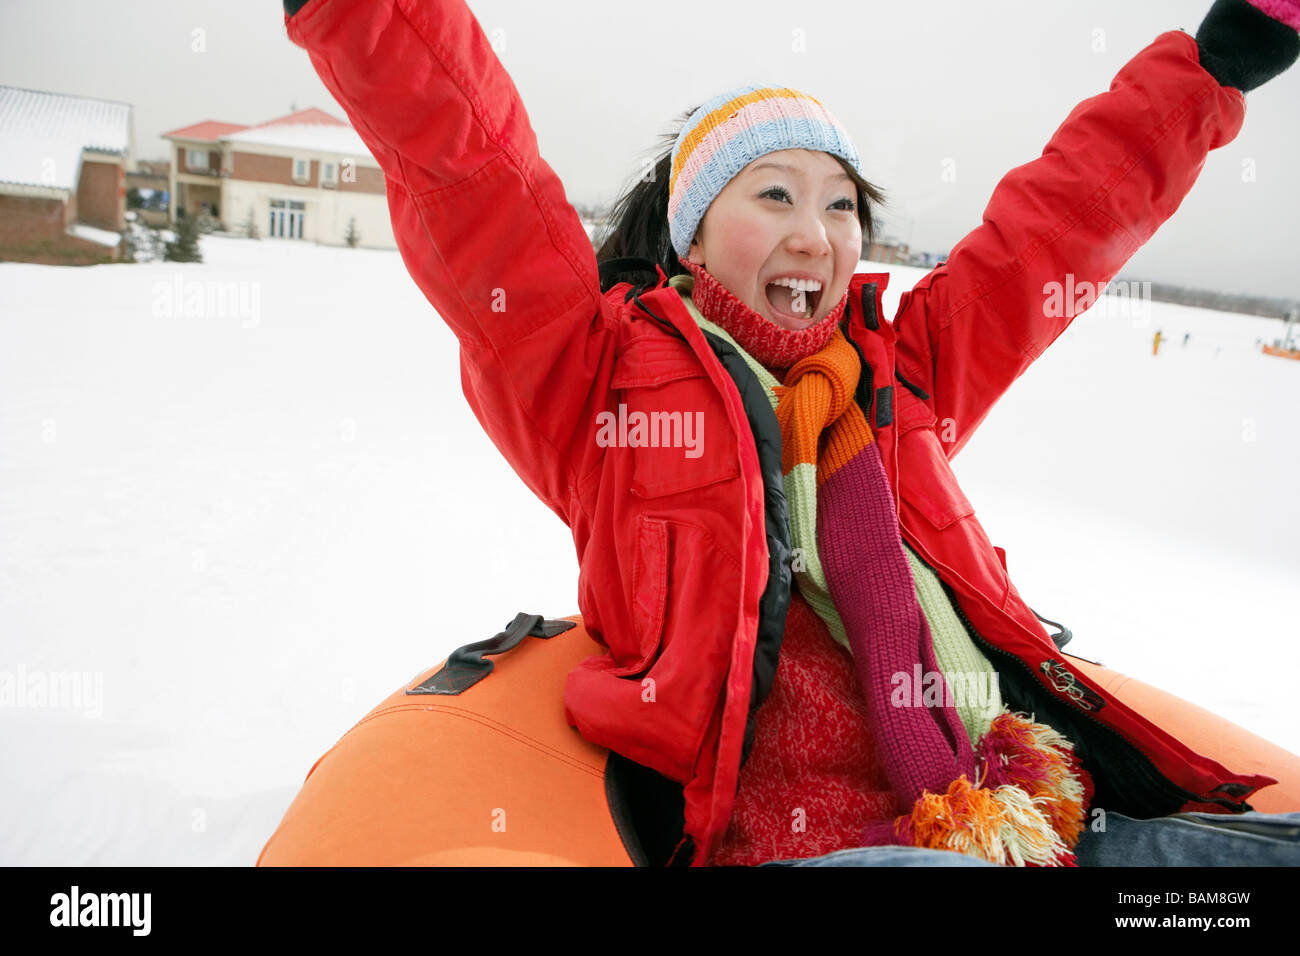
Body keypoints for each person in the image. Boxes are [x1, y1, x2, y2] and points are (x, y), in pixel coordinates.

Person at [281, 0, 1300, 866]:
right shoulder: (600, 388)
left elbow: (1054, 230)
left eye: (841, 204)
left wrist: (1212, 69)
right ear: (691, 233)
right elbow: (475, 181)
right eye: (774, 195)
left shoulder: (904, 380)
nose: (818, 233)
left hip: (1017, 822)